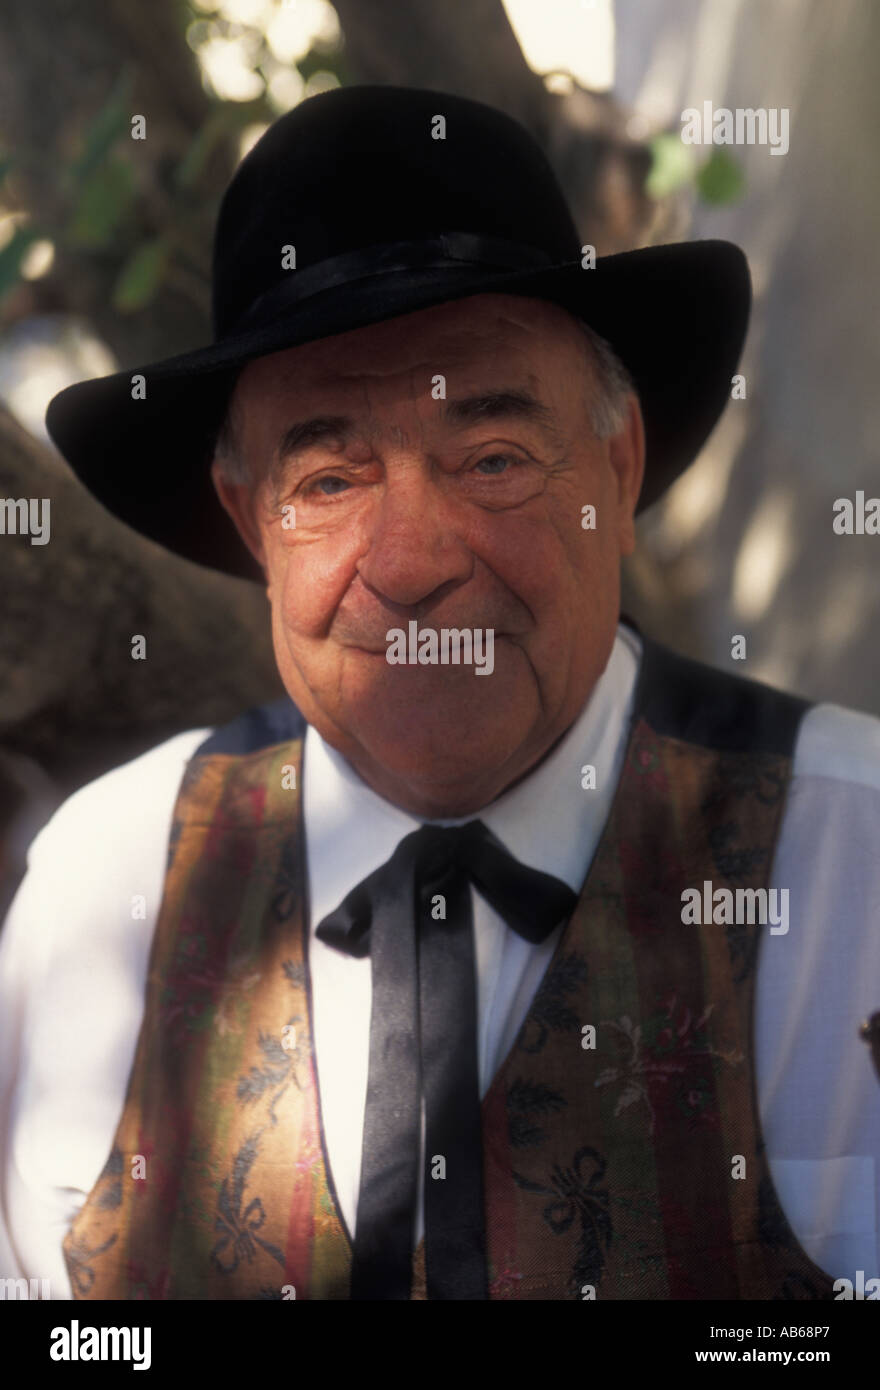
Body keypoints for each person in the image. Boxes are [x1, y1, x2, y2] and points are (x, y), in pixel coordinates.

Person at [1, 84, 878, 1302]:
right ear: (247, 519)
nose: (412, 565)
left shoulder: (860, 862)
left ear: (615, 472)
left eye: (494, 457)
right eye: (324, 476)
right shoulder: (103, 890)